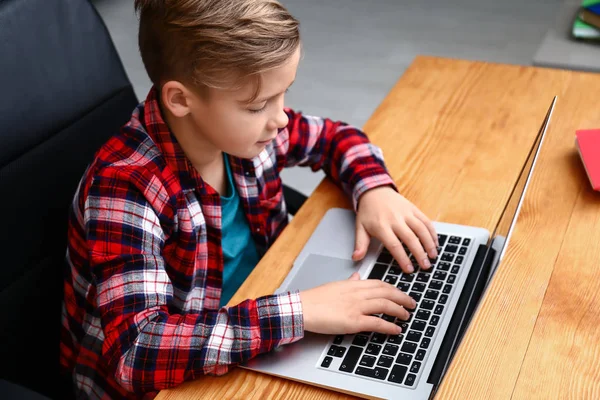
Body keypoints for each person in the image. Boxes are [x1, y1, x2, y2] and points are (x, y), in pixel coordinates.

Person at [60, 0, 439, 398]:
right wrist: (301, 312)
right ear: (180, 100)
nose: (281, 119)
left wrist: (375, 190)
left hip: (258, 313)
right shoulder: (126, 188)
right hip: (168, 380)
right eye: (258, 105)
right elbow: (137, 351)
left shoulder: (245, 133)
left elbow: (336, 138)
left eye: (283, 95)